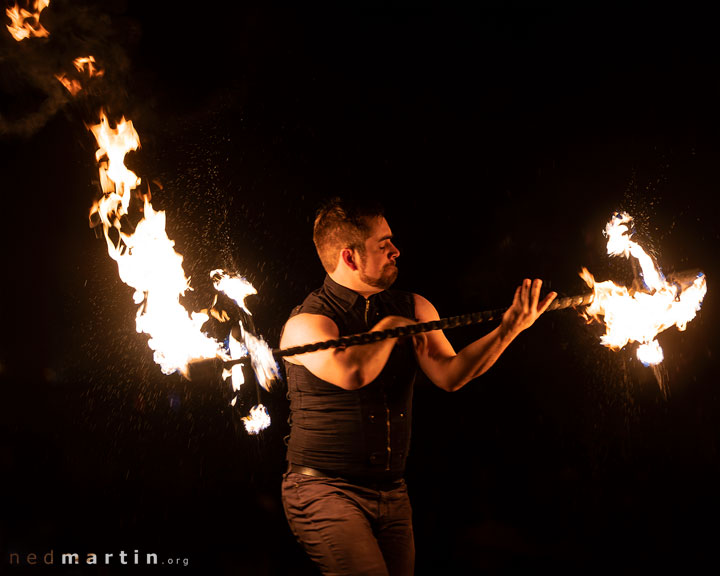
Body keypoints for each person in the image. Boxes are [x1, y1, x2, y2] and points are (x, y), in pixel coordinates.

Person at [279, 197, 556, 576]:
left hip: (393, 492)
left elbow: (451, 374)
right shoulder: (307, 324)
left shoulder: (414, 308)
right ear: (349, 257)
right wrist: (393, 328)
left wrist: (509, 330)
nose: (396, 251)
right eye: (383, 245)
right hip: (325, 490)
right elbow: (353, 373)